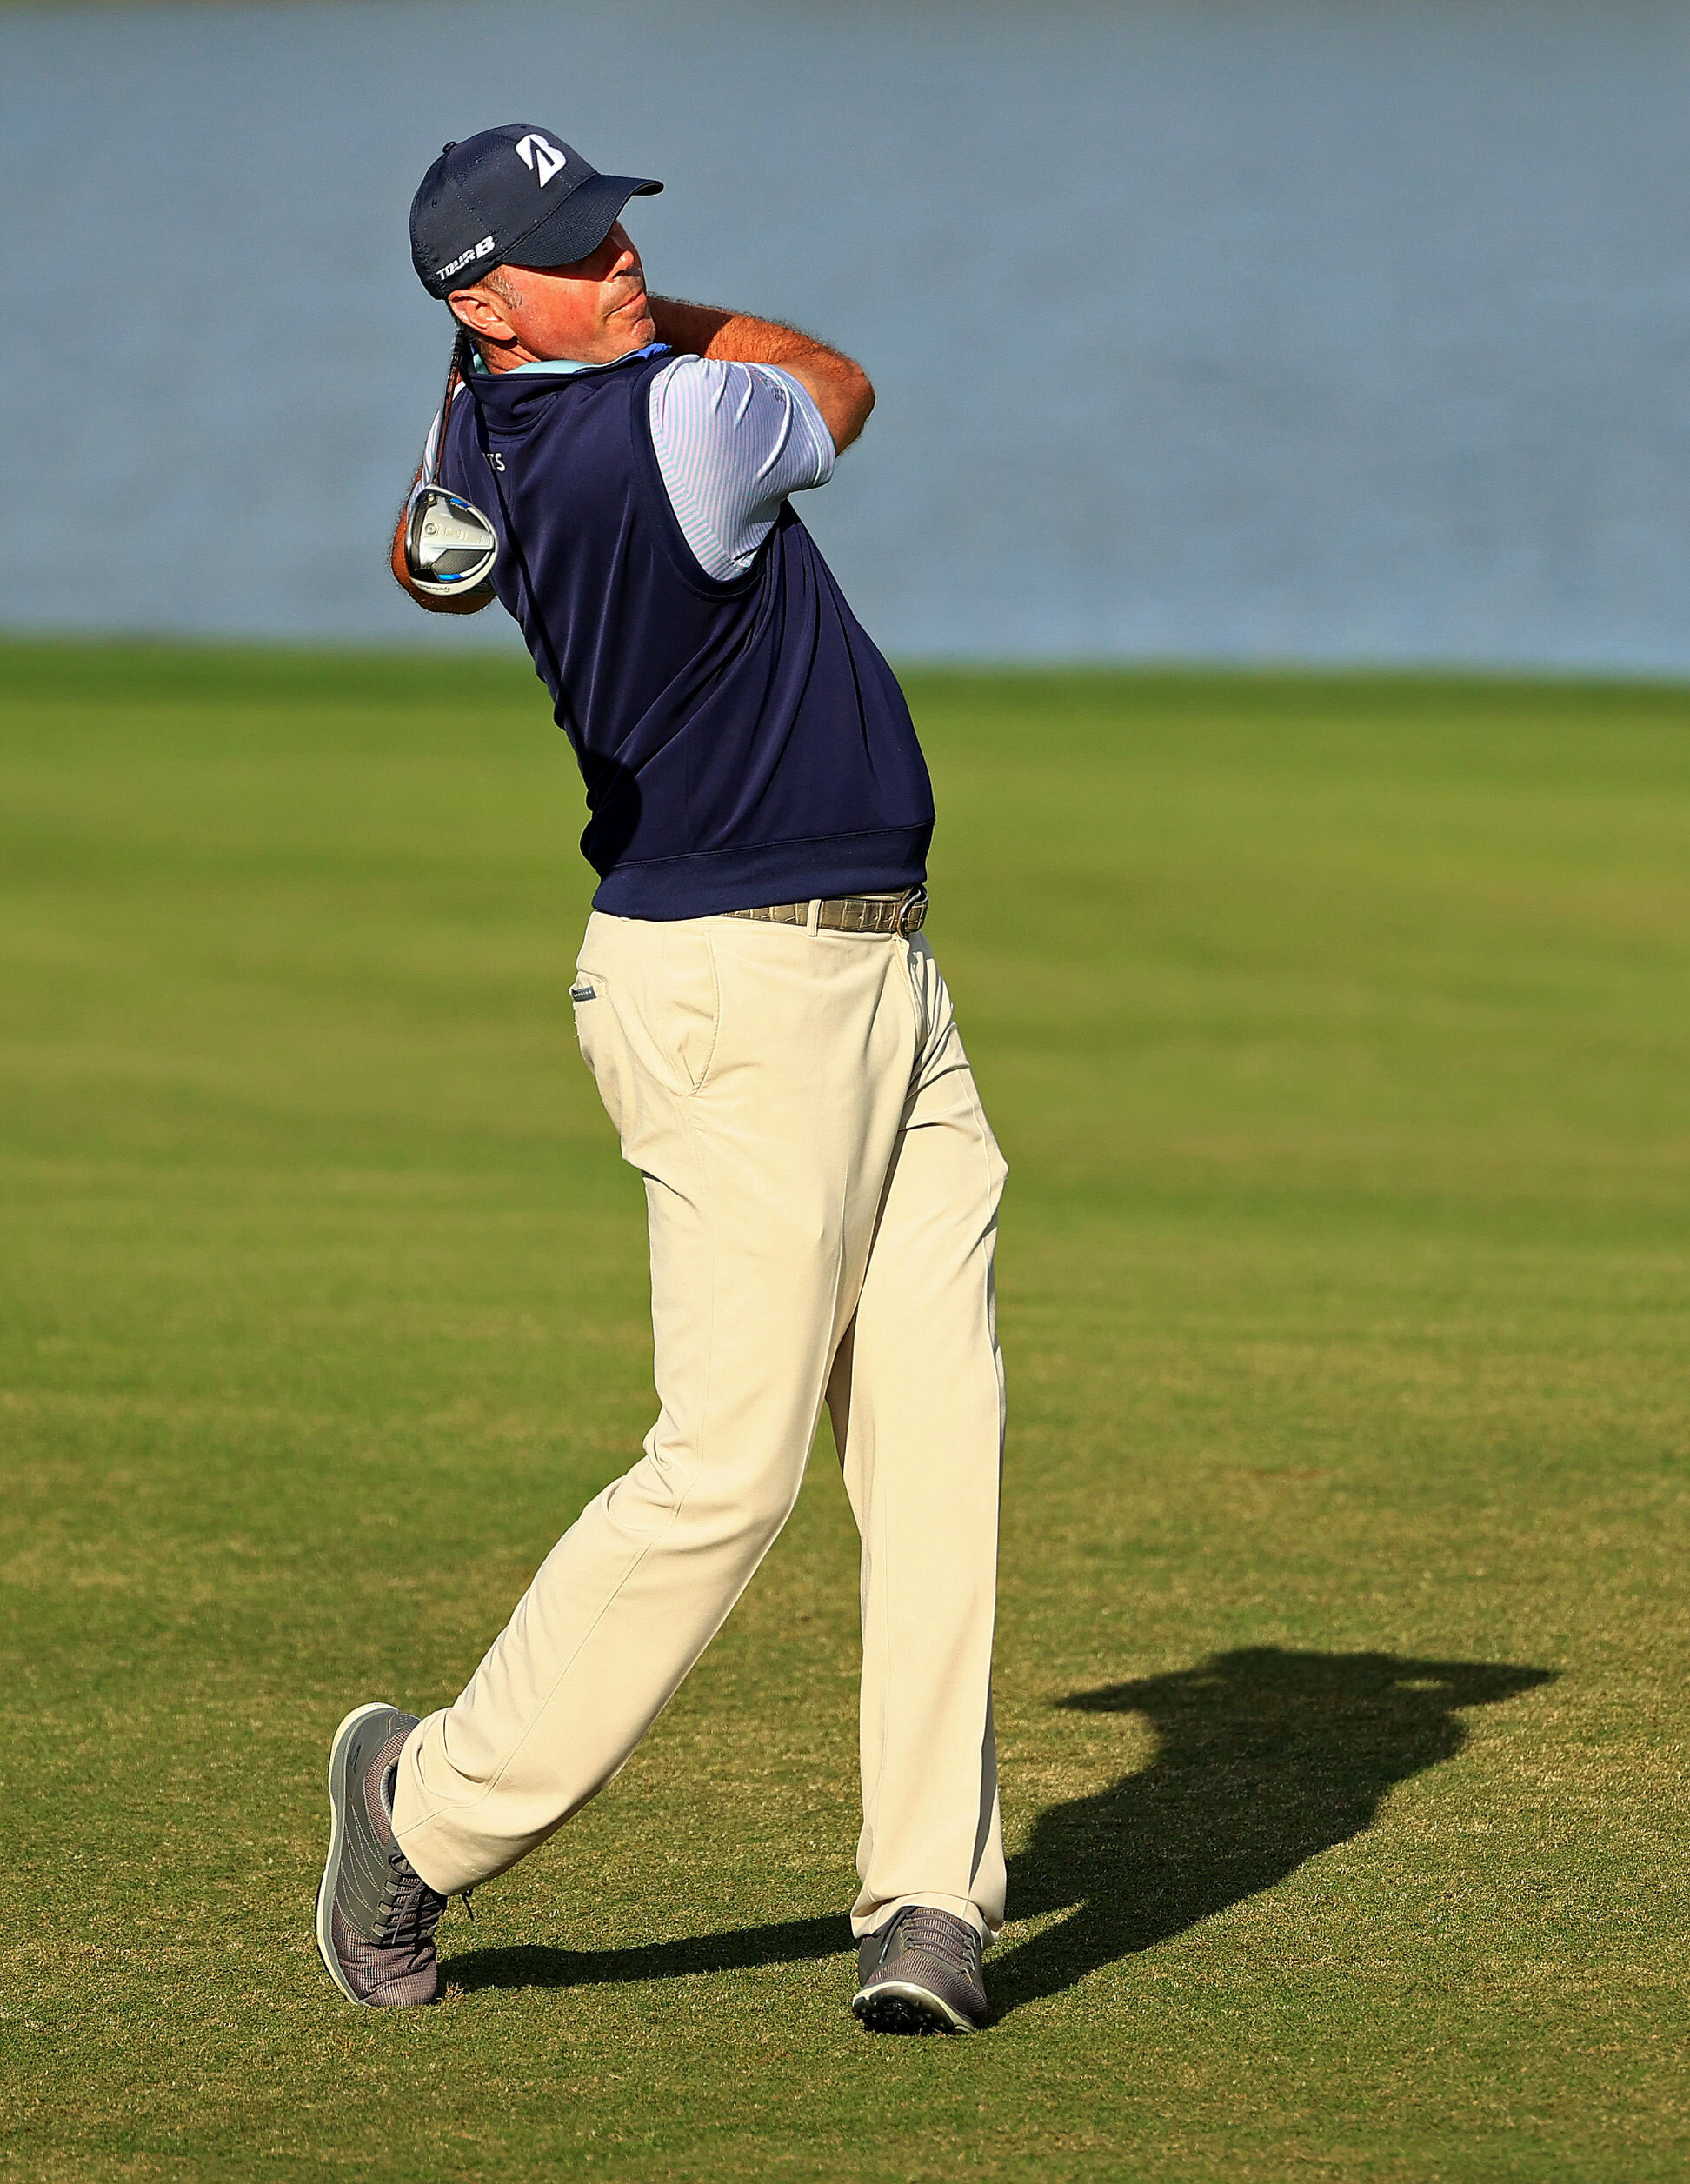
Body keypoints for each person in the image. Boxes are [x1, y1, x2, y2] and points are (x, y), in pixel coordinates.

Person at [315, 124, 1008, 2036]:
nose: (618, 255)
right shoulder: (681, 421)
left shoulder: (502, 432)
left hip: (886, 975)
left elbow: (430, 563)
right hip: (741, 998)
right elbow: (840, 388)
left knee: (939, 1444)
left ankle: (929, 1897)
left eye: (615, 225)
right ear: (482, 302)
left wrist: (517, 376)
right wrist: (657, 337)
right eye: (575, 245)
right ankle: (420, 1807)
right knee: (727, 1470)